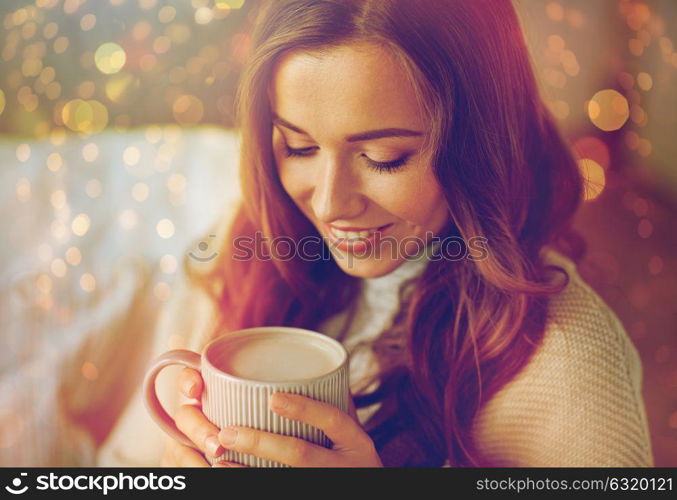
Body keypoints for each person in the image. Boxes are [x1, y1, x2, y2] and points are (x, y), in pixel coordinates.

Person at [97, 0, 653, 467]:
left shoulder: (568, 364)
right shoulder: (251, 236)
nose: (329, 202)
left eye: (384, 158)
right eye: (299, 146)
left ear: (479, 146)